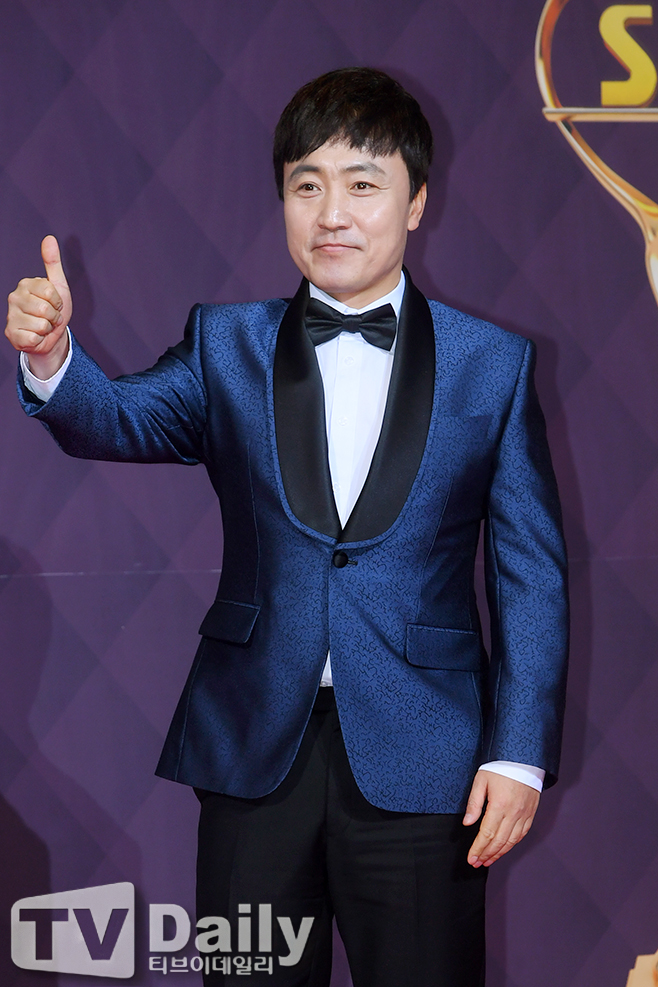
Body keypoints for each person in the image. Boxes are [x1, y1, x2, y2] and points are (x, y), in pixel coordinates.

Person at [5, 68, 568, 987]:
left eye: (362, 183)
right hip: (253, 751)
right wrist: (53, 357)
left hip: (427, 761)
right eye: (307, 185)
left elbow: (530, 575)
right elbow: (116, 418)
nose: (331, 213)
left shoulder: (492, 365)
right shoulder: (226, 343)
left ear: (416, 202)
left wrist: (519, 753)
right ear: (283, 200)